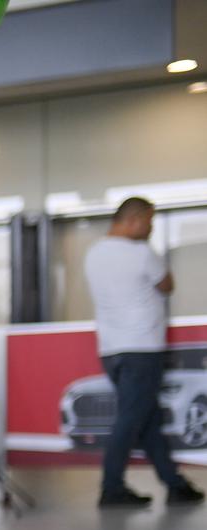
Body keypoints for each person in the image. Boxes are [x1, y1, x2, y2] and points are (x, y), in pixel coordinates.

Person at [84, 197, 203, 508]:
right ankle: (111, 488)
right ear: (134, 220)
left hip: (111, 349)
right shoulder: (141, 253)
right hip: (142, 348)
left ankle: (175, 485)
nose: (150, 229)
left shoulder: (94, 254)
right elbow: (167, 285)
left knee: (147, 419)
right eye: (149, 222)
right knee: (130, 420)